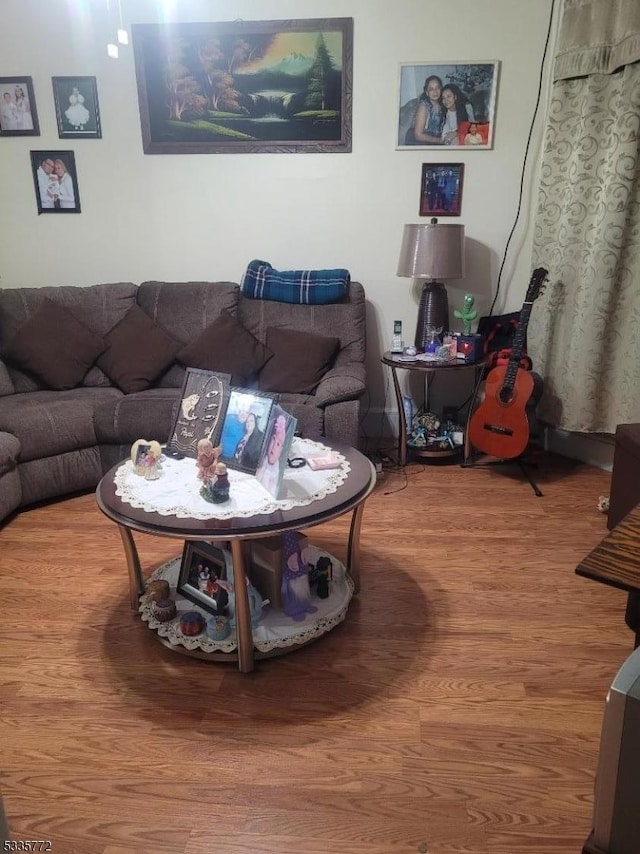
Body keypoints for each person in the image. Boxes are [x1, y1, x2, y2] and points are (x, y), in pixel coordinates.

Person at [256, 413, 287, 496]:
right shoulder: (263, 464)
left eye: (278, 444)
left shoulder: (278, 470)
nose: (273, 446)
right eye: (273, 439)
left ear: (281, 450)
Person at [408, 75, 445, 145]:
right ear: (427, 92)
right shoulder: (423, 106)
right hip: (418, 140)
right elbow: (418, 135)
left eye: (437, 88)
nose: (435, 91)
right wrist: (439, 140)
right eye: (431, 89)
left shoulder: (443, 105)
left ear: (441, 89)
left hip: (433, 140)